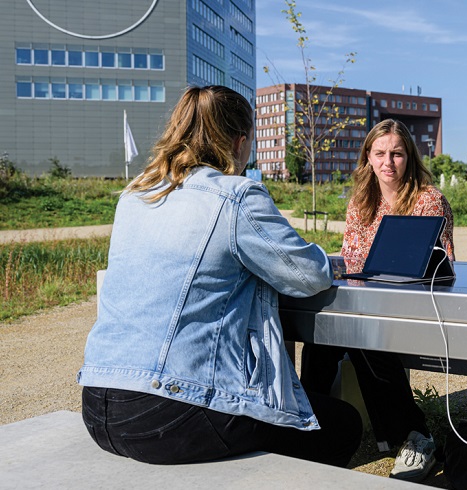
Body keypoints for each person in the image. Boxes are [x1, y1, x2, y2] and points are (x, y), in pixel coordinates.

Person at [78, 85, 362, 467]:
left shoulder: (135, 193)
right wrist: (337, 262)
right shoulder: (237, 196)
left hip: (99, 405)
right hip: (169, 412)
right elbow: (306, 274)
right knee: (342, 425)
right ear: (239, 142)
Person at [300, 119, 453, 482]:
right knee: (319, 339)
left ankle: (416, 438)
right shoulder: (360, 201)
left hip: (414, 307)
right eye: (380, 153)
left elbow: (436, 266)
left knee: (367, 343)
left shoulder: (428, 199)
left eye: (397, 154)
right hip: (366, 306)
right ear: (368, 156)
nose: (388, 162)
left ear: (409, 157)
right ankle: (308, 429)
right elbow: (351, 259)